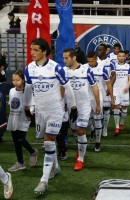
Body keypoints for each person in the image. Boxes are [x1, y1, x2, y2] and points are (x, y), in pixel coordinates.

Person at [24, 38, 77, 195]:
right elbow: (28, 89)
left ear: (44, 51)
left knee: (48, 142)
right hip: (40, 111)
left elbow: (67, 87)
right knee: (48, 143)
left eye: (35, 50)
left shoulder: (56, 68)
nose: (32, 53)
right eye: (31, 49)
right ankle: (56, 167)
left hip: (55, 111)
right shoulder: (29, 69)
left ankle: (44, 180)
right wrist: (27, 107)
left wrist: (73, 106)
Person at [63, 48, 100, 170]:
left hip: (84, 105)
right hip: (70, 106)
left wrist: (98, 105)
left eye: (66, 58)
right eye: (63, 58)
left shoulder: (86, 70)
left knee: (80, 131)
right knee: (73, 130)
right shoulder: (64, 71)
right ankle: (80, 147)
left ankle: (81, 159)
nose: (64, 60)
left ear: (74, 58)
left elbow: (95, 87)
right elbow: (62, 88)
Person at [7, 70, 38, 172]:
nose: (15, 82)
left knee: (20, 139)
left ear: (23, 80)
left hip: (23, 120)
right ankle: (20, 163)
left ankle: (33, 151)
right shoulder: (11, 91)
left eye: (17, 80)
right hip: (13, 119)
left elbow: (32, 107)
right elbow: (11, 104)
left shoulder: (27, 92)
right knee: (16, 142)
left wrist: (29, 113)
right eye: (13, 80)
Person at [87, 51, 114, 151]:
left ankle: (98, 142)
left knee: (98, 121)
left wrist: (111, 98)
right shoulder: (84, 67)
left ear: (96, 59)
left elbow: (108, 84)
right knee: (88, 121)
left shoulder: (102, 69)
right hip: (86, 97)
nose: (90, 63)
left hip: (98, 98)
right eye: (89, 61)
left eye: (92, 61)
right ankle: (92, 130)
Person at [112, 51, 130, 135]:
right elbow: (112, 77)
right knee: (116, 107)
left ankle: (122, 123)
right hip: (115, 89)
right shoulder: (113, 66)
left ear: (125, 57)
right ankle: (116, 127)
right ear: (117, 57)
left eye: (122, 56)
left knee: (124, 108)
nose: (121, 57)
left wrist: (127, 86)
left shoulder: (128, 66)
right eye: (119, 56)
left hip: (124, 90)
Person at [98, 44, 116, 137]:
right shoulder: (95, 61)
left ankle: (105, 129)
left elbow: (114, 75)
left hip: (106, 88)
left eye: (101, 50)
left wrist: (110, 87)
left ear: (106, 51)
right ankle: (97, 129)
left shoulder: (110, 62)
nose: (99, 51)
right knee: (96, 110)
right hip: (96, 88)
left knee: (106, 109)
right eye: (98, 50)